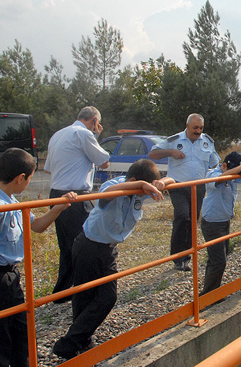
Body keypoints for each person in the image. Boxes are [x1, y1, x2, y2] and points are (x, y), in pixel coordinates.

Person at [53, 159, 174, 360]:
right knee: (85, 296)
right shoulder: (114, 186)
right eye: (144, 187)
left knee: (108, 297)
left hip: (108, 250)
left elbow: (174, 178)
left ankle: (74, 341)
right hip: (88, 246)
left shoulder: (140, 190)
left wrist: (163, 181)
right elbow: (105, 197)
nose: (147, 194)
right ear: (134, 181)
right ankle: (76, 344)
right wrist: (140, 186)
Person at [0, 149, 76, 366]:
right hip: (1, 278)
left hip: (11, 277)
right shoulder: (3, 205)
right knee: (3, 336)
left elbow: (36, 226)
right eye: (30, 178)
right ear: (20, 178)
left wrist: (57, 209)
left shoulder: (13, 201)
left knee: (20, 331)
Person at [44, 106, 110, 301]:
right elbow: (104, 161)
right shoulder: (84, 134)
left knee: (66, 245)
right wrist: (95, 137)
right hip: (76, 197)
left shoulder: (58, 134)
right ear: (94, 122)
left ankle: (62, 292)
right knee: (85, 244)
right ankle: (84, 289)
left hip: (56, 194)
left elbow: (47, 169)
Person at [149, 113, 220, 271]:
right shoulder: (174, 140)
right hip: (178, 185)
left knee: (192, 221)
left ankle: (186, 257)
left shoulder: (207, 141)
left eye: (201, 128)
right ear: (187, 126)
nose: (198, 131)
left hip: (198, 186)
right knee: (182, 217)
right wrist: (170, 153)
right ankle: (177, 257)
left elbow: (216, 163)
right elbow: (152, 153)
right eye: (195, 127)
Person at [200, 152, 241, 296]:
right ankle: (207, 296)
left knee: (217, 259)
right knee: (219, 261)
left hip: (224, 221)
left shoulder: (231, 172)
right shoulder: (213, 174)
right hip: (212, 223)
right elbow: (219, 179)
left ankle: (213, 292)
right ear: (224, 165)